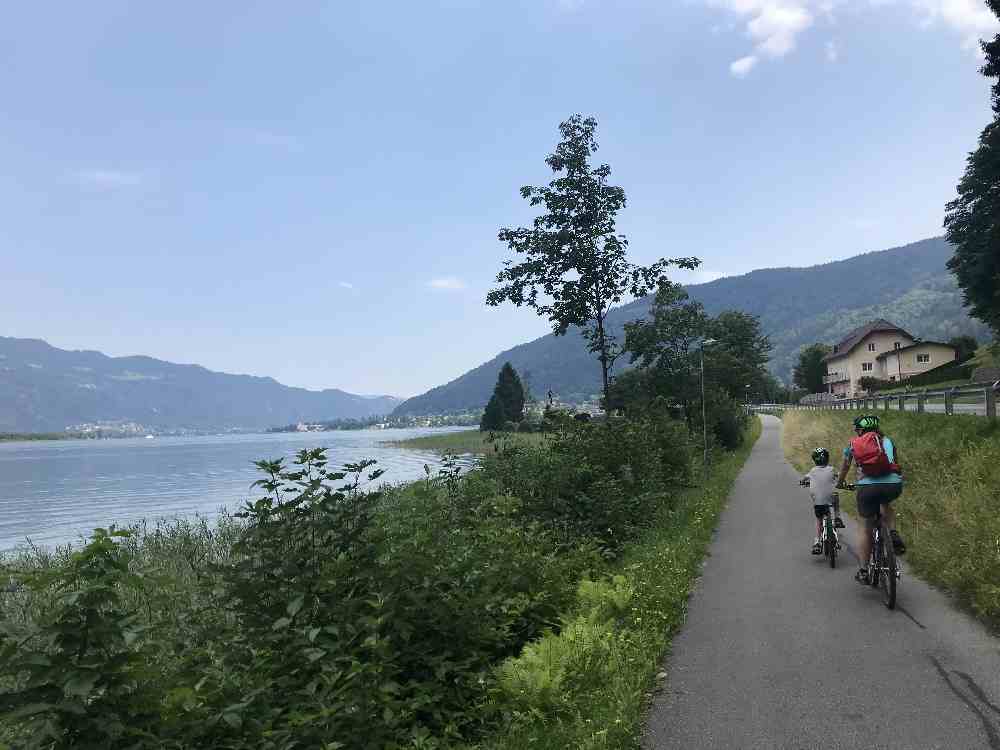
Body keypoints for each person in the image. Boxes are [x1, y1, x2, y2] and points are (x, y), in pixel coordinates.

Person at [837, 414, 905, 585]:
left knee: (866, 527)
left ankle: (864, 570)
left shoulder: (853, 444)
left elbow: (845, 466)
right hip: (892, 484)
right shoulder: (887, 441)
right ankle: (893, 533)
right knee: (886, 505)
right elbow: (894, 464)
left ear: (860, 430)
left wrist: (840, 482)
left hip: (867, 488)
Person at [801, 447, 840, 554]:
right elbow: (838, 477)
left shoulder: (812, 471)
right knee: (835, 496)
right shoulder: (831, 469)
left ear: (815, 460)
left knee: (819, 520)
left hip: (818, 502)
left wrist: (803, 482)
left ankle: (817, 542)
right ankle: (837, 517)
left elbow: (805, 479)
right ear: (827, 459)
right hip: (830, 498)